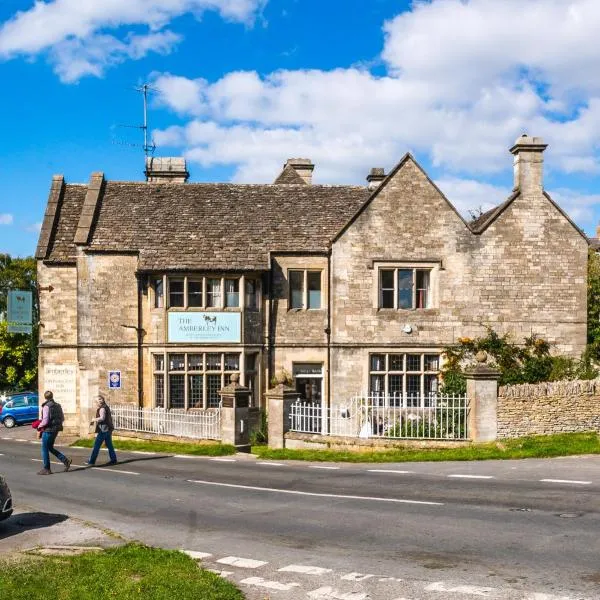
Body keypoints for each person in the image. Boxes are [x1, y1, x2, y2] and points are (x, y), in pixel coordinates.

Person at [37, 391, 71, 475]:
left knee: (44, 449)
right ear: (52, 396)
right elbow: (62, 418)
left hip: (48, 430)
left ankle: (47, 468)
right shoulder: (58, 405)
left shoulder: (46, 406)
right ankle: (65, 460)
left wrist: (39, 426)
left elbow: (45, 420)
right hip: (56, 429)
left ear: (45, 397)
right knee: (50, 448)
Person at [85, 396, 117, 466]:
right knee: (109, 445)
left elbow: (102, 418)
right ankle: (113, 459)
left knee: (96, 446)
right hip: (108, 429)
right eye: (97, 401)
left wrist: (94, 419)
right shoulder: (106, 407)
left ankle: (91, 461)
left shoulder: (102, 409)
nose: (97, 403)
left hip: (103, 430)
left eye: (98, 401)